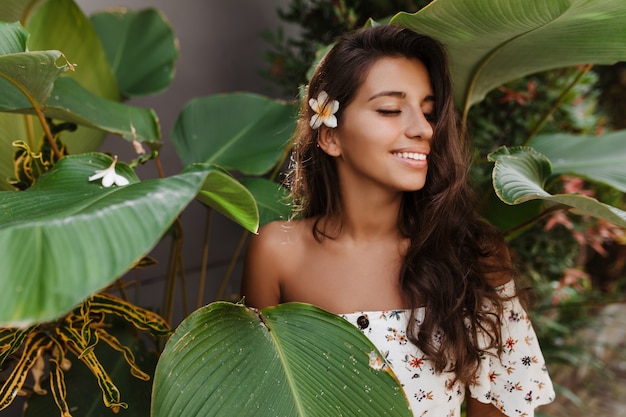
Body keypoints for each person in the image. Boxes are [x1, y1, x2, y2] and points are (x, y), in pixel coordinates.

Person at [241, 24, 554, 417]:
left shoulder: (474, 255)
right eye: (390, 109)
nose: (423, 129)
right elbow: (263, 399)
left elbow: (499, 406)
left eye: (427, 111)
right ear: (330, 137)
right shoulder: (277, 254)